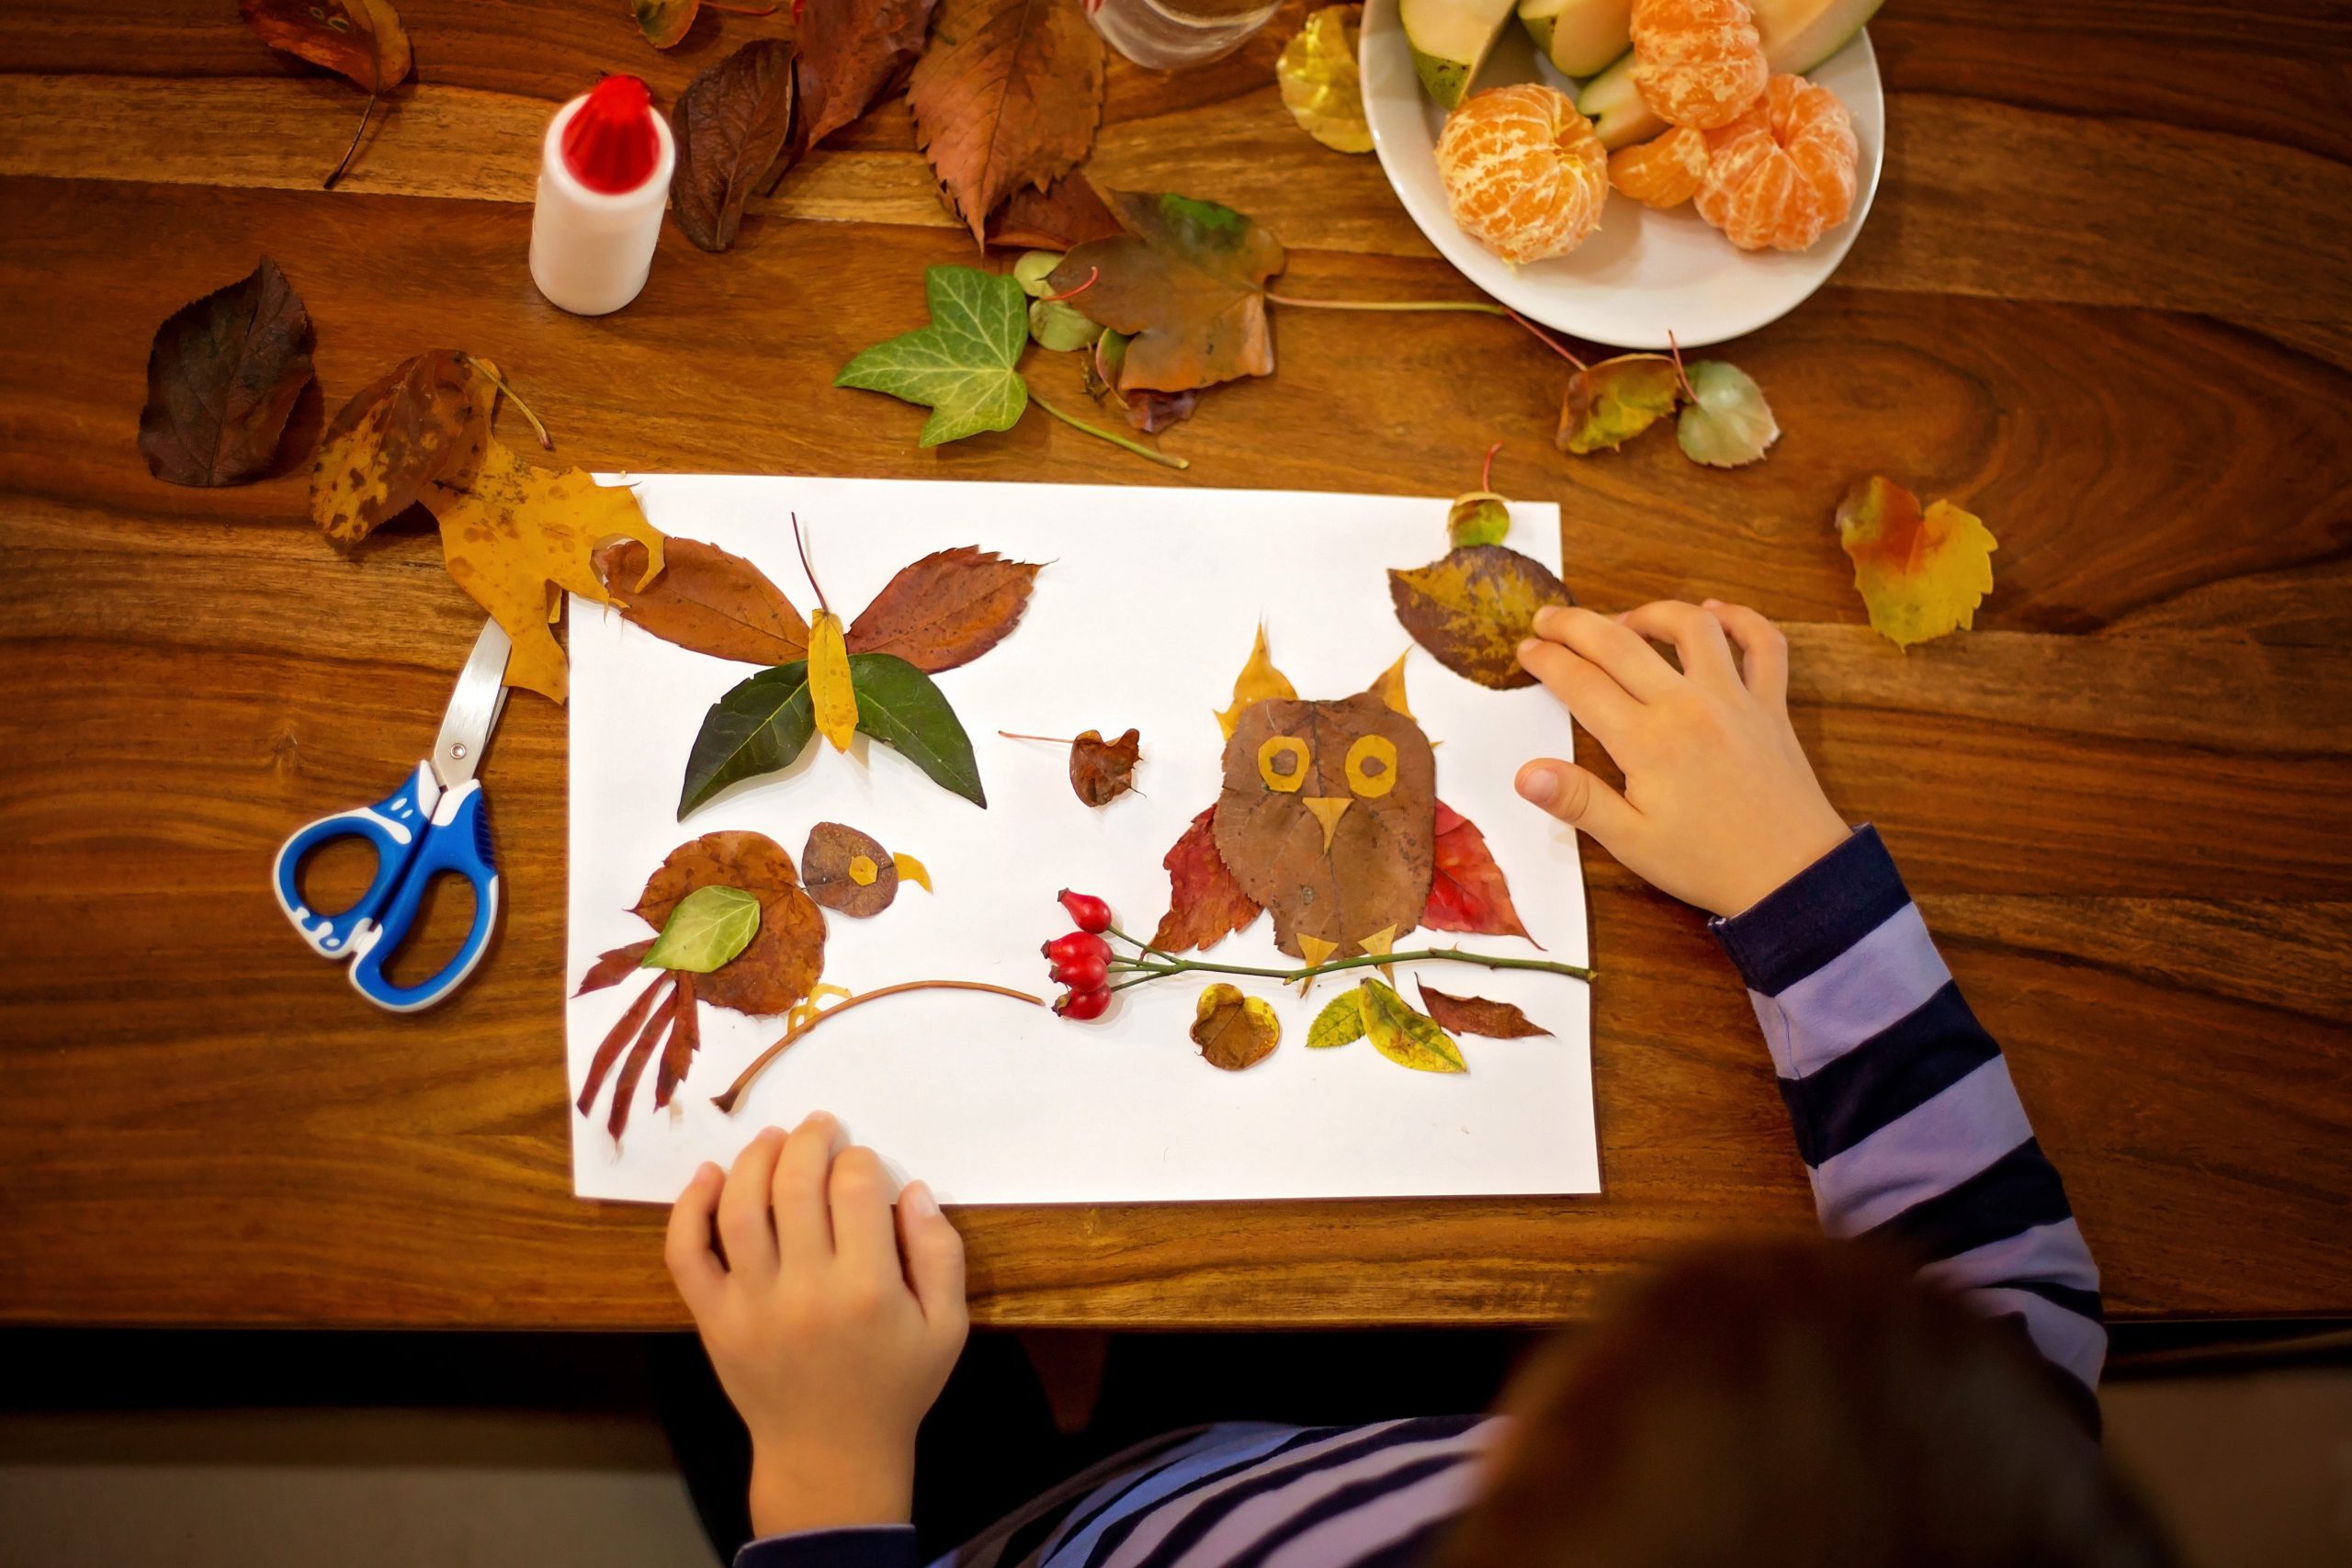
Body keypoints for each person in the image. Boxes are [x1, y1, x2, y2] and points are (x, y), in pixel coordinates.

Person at [663, 601, 2175, 1568]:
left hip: (969, 1519)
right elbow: (2006, 1291)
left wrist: (825, 1481)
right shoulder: (1974, 1480)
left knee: (714, 1281)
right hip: (1299, 1442)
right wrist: (1798, 882)